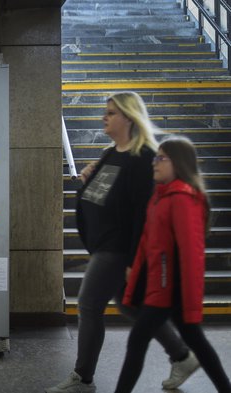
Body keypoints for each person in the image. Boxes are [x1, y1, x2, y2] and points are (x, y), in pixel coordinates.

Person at [46, 92, 197, 393]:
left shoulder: (142, 159)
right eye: (106, 111)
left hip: (118, 248)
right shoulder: (111, 152)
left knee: (88, 305)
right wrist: (88, 179)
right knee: (131, 306)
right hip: (104, 243)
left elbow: (146, 214)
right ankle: (182, 355)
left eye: (112, 113)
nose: (105, 117)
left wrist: (133, 261)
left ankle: (83, 377)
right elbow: (101, 195)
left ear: (129, 117)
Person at [114, 137, 231, 392]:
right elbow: (147, 244)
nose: (154, 163)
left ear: (178, 163)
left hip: (171, 289)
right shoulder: (161, 197)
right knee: (195, 341)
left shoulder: (182, 199)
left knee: (138, 341)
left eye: (161, 158)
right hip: (163, 285)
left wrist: (187, 299)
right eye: (155, 157)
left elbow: (191, 253)